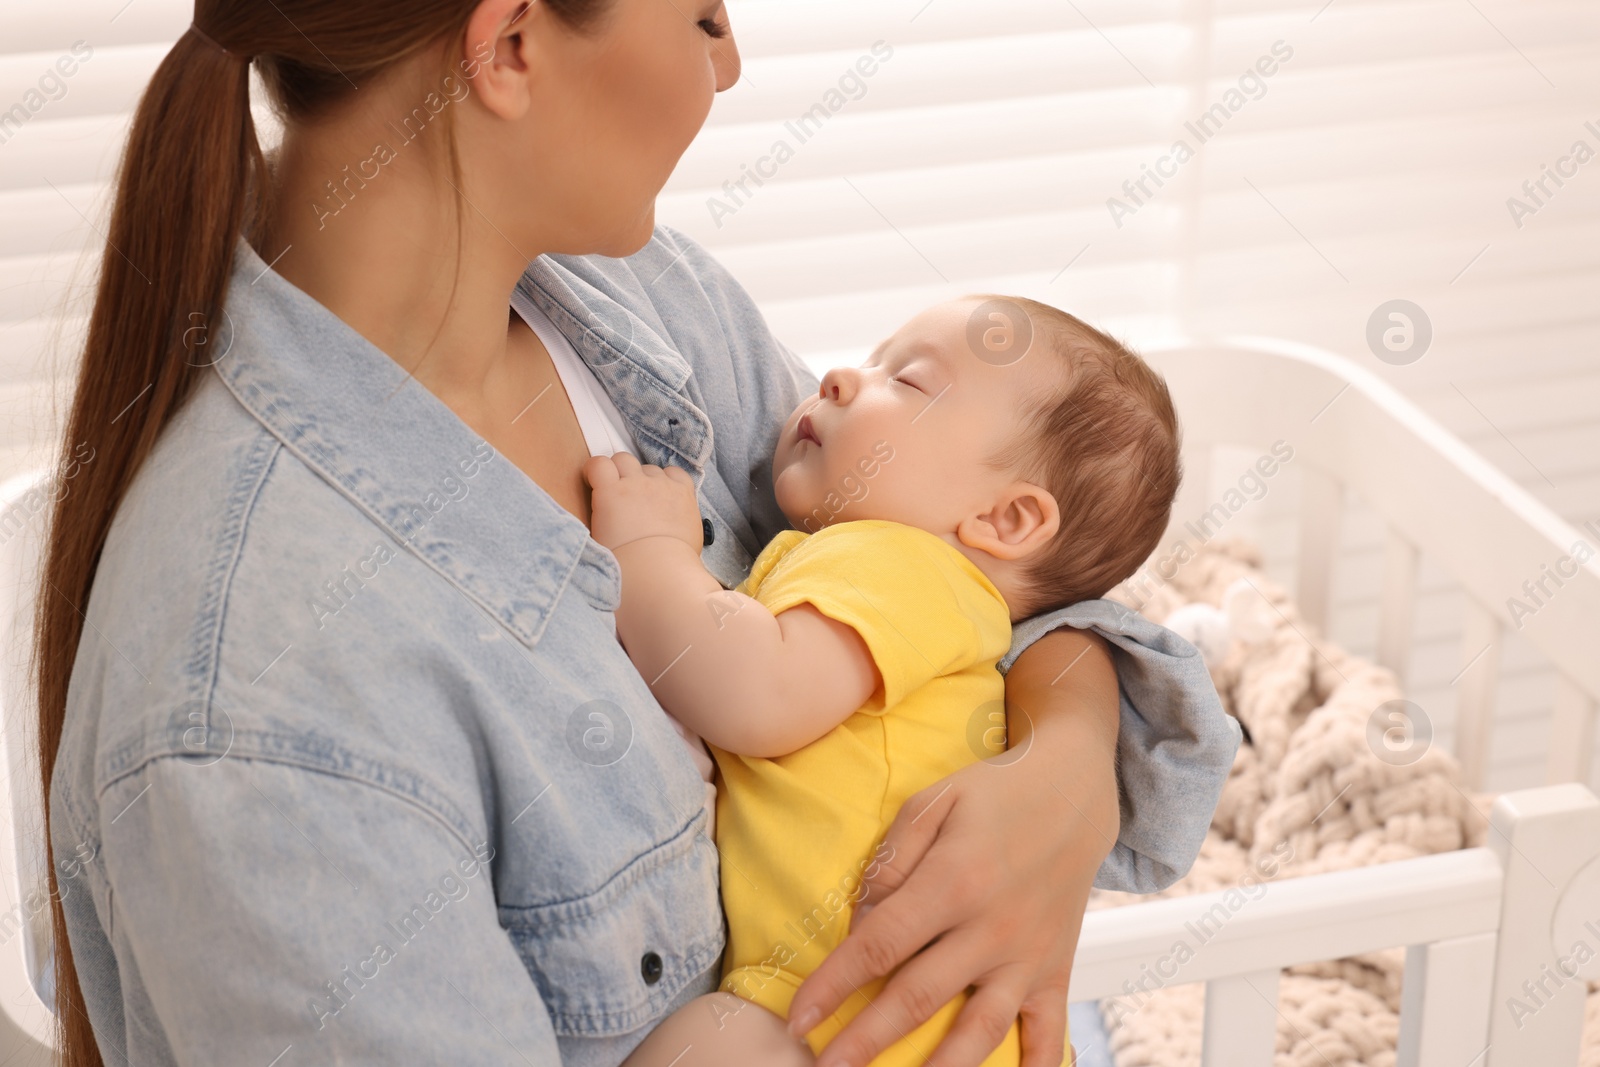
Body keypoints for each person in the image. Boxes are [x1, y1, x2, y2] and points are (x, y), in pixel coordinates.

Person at [32, 3, 1240, 1066]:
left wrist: (1064, 762)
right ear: (509, 44)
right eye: (704, 17)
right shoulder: (265, 718)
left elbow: (985, 561)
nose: (727, 68)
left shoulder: (639, 304)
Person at [596, 296, 1185, 1067]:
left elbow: (756, 692)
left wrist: (647, 552)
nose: (840, 378)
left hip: (861, 1021)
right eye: (874, 359)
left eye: (904, 380)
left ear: (1005, 521)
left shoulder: (900, 564)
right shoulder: (932, 598)